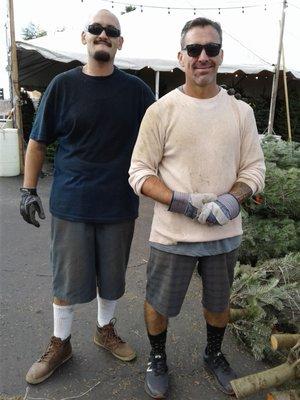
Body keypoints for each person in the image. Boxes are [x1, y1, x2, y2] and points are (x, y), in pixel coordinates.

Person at [129, 17, 265, 398]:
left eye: (210, 49)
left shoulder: (241, 113)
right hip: (173, 234)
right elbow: (138, 171)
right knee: (159, 303)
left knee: (218, 303)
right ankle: (157, 357)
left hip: (224, 233)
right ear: (181, 57)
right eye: (194, 50)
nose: (202, 56)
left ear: (221, 55)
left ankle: (213, 353)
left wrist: (232, 198)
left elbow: (254, 169)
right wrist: (181, 201)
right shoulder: (161, 111)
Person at [20, 9, 155, 385]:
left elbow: (163, 137)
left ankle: (104, 329)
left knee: (112, 279)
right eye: (95, 29)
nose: (103, 35)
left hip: (118, 205)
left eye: (111, 31)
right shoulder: (62, 86)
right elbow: (37, 142)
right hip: (72, 205)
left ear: (119, 42)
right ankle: (60, 343)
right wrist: (28, 190)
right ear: (84, 38)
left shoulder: (137, 91)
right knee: (67, 281)